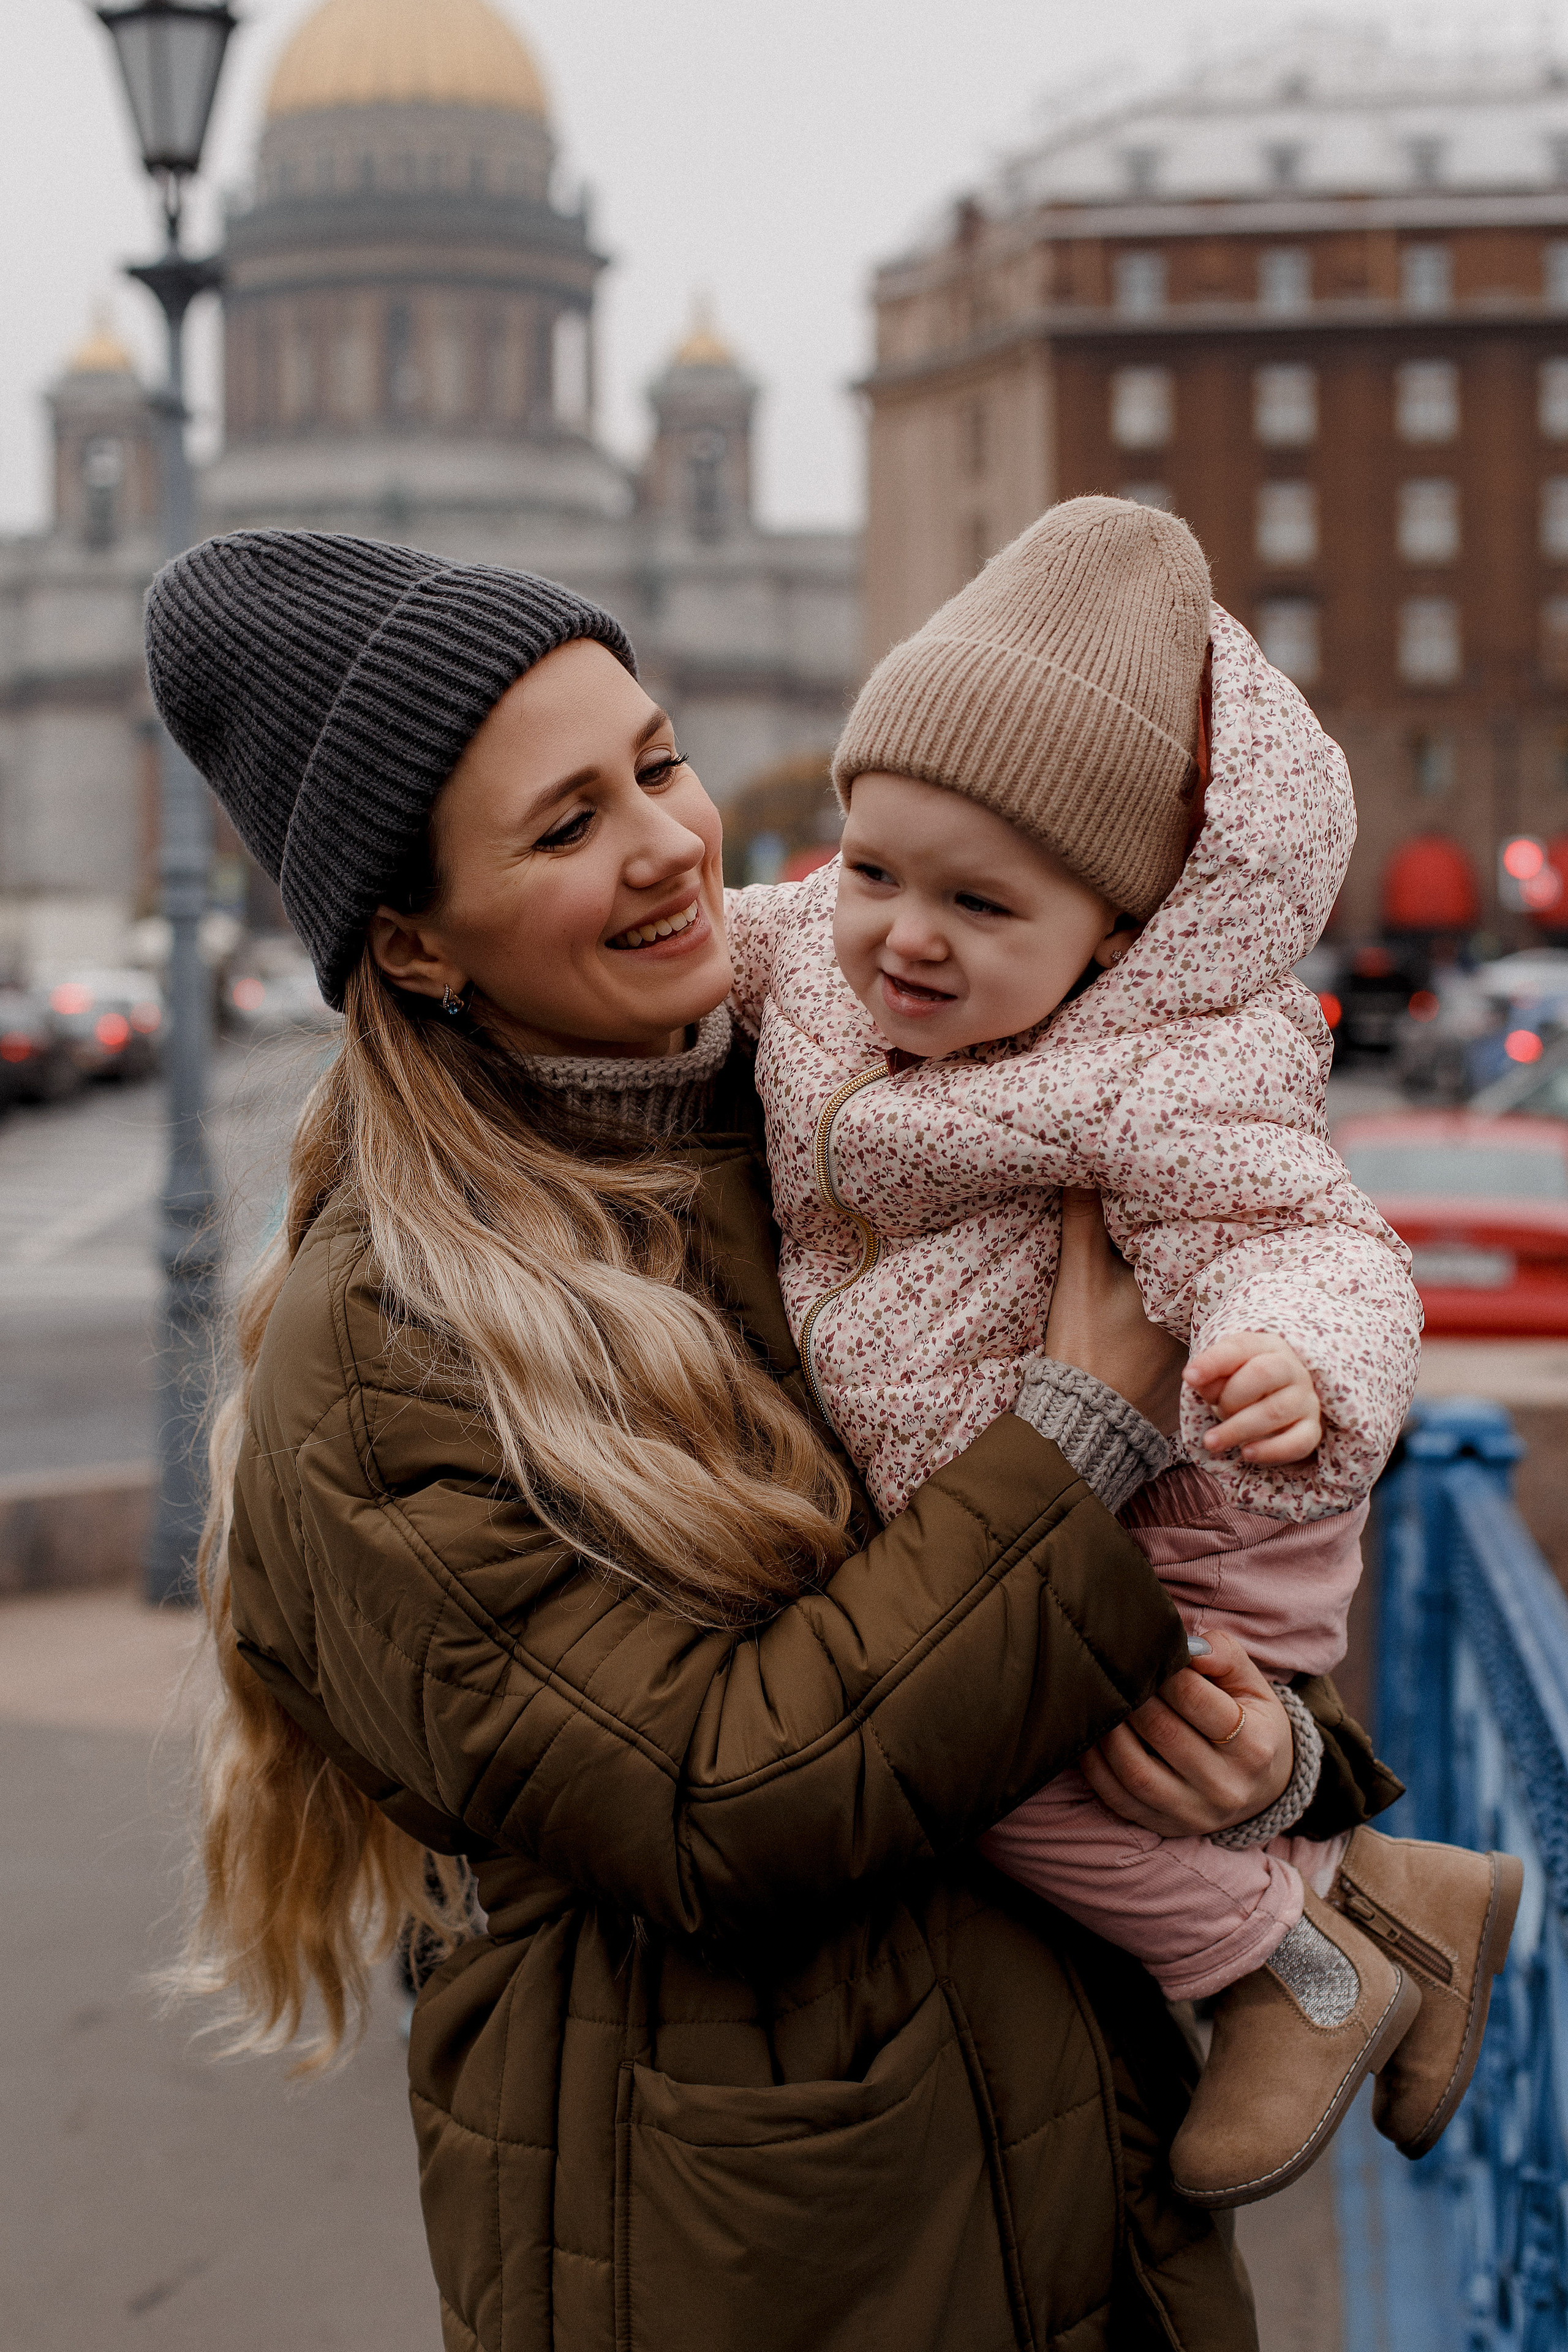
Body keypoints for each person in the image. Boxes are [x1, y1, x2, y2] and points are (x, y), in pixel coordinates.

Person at [151, 528, 1395, 2352]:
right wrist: (1075, 1433)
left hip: (1074, 2174)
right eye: (565, 826)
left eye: (655, 762)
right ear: (412, 942)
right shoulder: (392, 1339)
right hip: (752, 2240)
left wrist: (1276, 1766)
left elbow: (1178, 1558)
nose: (668, 841)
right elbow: (719, 1802)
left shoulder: (862, 1100)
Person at [723, 496, 1520, 2208]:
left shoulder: (1167, 1073)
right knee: (998, 1720)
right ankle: (1406, 1894)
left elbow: (1311, 1239)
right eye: (871, 870)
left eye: (980, 904)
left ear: (1116, 933)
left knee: (989, 1760)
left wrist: (1288, 1362)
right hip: (1038, 1516)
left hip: (1203, 1529)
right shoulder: (816, 963)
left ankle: (1293, 1976)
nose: (903, 937)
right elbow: (695, 952)